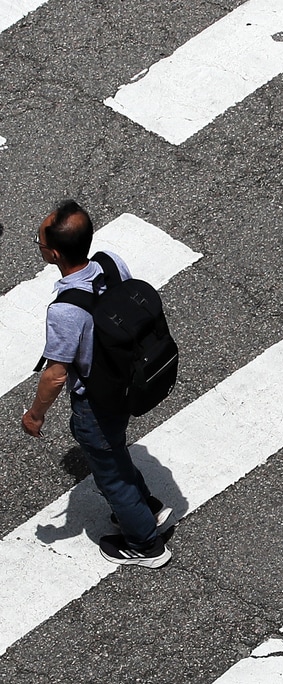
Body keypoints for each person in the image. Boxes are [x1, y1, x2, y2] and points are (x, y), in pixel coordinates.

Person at [21, 200, 173, 568]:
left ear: (54, 253)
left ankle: (145, 544)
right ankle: (146, 506)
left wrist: (35, 415)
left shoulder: (65, 311)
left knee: (109, 472)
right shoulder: (110, 261)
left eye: (40, 243)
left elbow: (56, 373)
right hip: (127, 381)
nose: (40, 247)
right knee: (115, 451)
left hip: (97, 399)